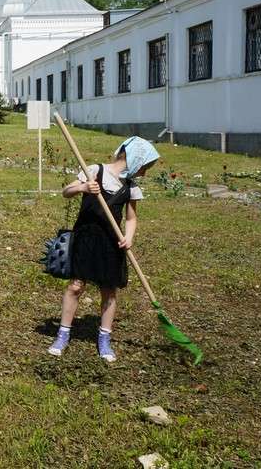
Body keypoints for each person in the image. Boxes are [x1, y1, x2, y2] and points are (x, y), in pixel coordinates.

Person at [47, 136, 159, 362]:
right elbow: (65, 192)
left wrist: (128, 236)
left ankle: (104, 338)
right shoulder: (94, 171)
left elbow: (131, 218)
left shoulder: (130, 187)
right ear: (135, 159)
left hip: (111, 242)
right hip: (86, 238)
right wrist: (83, 187)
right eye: (144, 167)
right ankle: (63, 334)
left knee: (109, 290)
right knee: (76, 287)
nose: (144, 173)